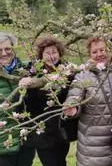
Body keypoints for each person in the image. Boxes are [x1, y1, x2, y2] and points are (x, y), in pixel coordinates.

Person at [63, 36, 112, 166]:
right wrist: (72, 108)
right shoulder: (83, 76)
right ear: (89, 55)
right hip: (93, 149)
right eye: (95, 52)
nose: (99, 54)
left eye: (103, 50)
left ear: (109, 51)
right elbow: (74, 95)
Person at [18, 36, 71, 166]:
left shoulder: (67, 70)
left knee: (61, 162)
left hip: (61, 132)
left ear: (59, 53)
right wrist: (28, 84)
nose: (51, 56)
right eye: (47, 53)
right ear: (41, 55)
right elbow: (27, 103)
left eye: (54, 52)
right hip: (43, 134)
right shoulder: (33, 72)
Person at [0, 32, 26, 166]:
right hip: (2, 143)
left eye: (8, 49)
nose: (4, 53)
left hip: (25, 141)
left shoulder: (26, 68)